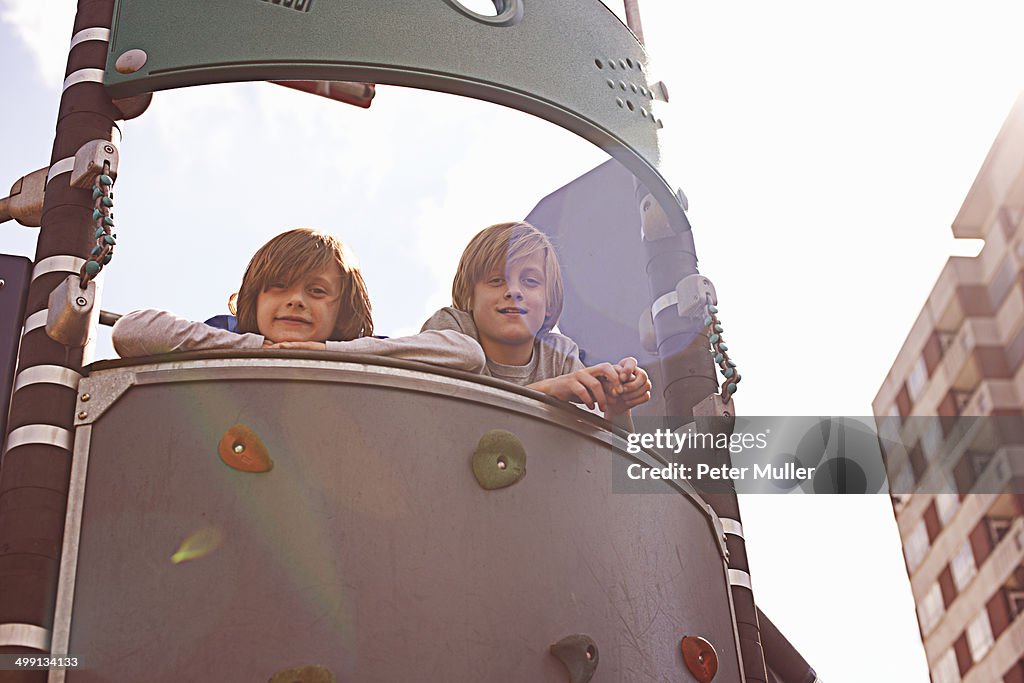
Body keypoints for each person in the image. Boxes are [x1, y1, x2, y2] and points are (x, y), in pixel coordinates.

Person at [113, 228, 485, 373]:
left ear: (342, 312)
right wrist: (265, 349)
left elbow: (464, 354)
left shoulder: (355, 352)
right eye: (278, 286)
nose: (296, 301)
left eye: (317, 291)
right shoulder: (228, 333)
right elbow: (132, 331)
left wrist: (321, 352)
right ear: (254, 298)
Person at [421, 221, 650, 423]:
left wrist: (616, 406)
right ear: (469, 296)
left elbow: (598, 455)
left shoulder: (558, 357)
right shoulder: (455, 332)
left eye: (530, 281)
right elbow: (442, 420)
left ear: (549, 303)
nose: (513, 291)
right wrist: (545, 391)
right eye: (496, 280)